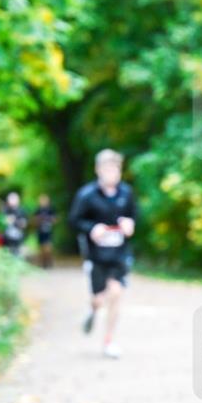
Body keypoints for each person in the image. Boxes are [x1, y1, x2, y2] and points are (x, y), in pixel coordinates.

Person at [68, 149, 137, 359]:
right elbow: (74, 221)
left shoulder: (126, 193)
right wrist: (92, 229)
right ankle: (93, 309)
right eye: (107, 168)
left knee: (116, 293)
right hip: (96, 256)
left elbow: (134, 216)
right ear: (98, 170)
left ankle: (109, 340)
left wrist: (130, 224)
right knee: (99, 299)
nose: (112, 173)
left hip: (118, 255)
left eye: (116, 168)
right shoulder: (86, 195)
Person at [34, 194, 58, 269]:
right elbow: (34, 220)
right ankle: (43, 263)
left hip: (48, 231)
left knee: (48, 248)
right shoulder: (38, 210)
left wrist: (50, 219)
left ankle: (49, 262)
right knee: (41, 248)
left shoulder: (51, 209)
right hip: (40, 232)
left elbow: (56, 219)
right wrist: (39, 220)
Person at [1, 191, 28, 257]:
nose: (12, 202)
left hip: (18, 235)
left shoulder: (22, 210)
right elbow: (1, 222)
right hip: (7, 236)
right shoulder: (5, 210)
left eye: (14, 200)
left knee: (17, 253)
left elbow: (24, 224)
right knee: (7, 253)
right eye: (11, 200)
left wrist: (16, 221)